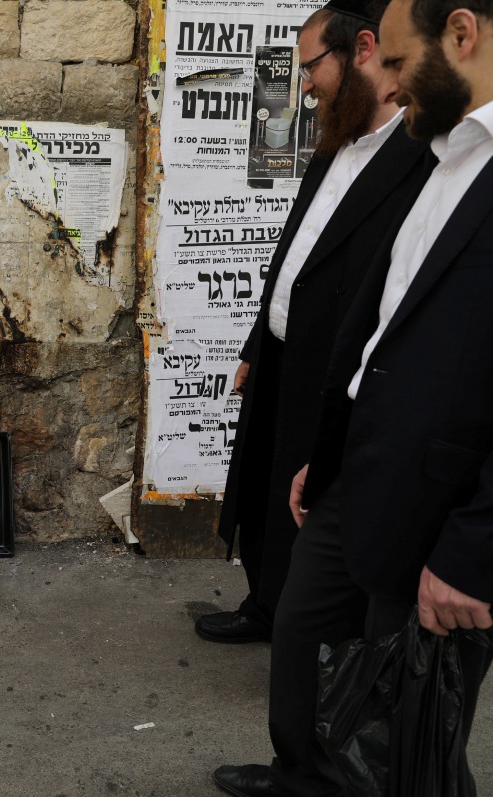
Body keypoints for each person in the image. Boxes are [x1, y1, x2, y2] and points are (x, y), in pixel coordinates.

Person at [213, 0, 493, 792]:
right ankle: (301, 771)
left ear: (463, 36)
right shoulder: (446, 154)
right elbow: (381, 326)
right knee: (301, 625)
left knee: (409, 716)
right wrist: (327, 454)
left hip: (437, 502)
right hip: (354, 467)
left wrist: (474, 549)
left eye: (399, 66)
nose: (392, 87)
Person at [198, 0, 435, 645]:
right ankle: (266, 606)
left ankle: (308, 637)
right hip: (280, 350)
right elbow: (294, 248)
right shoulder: (337, 138)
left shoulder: (420, 158)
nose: (304, 83)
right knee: (262, 488)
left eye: (311, 67)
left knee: (308, 501)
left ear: (362, 49)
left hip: (333, 363)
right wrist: (256, 341)